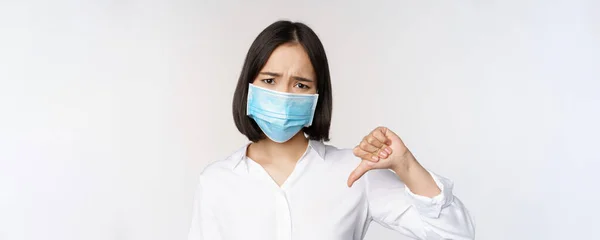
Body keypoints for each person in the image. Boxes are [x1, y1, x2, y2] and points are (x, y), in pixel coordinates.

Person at [187, 20, 475, 240]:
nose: (285, 94)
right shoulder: (216, 181)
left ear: (317, 96)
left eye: (301, 84)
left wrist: (406, 164)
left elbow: (456, 235)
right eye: (270, 80)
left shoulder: (355, 173)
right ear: (249, 86)